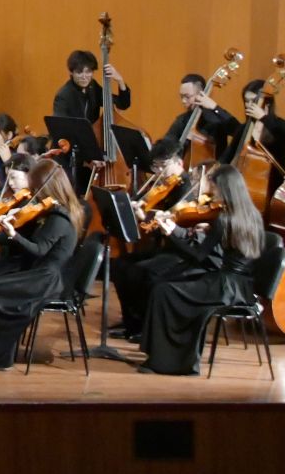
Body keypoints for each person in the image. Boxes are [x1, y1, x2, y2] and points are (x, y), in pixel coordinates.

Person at [0, 156, 82, 371]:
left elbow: (38, 249)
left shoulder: (59, 218)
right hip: (33, 267)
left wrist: (13, 234)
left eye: (36, 187)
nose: (33, 192)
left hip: (44, 278)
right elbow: (23, 240)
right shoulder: (46, 211)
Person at [136, 163, 263, 375]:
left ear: (225, 189)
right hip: (242, 286)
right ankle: (165, 355)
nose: (213, 194)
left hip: (225, 287)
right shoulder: (253, 215)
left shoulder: (223, 219)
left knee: (163, 290)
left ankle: (167, 361)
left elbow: (197, 256)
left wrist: (172, 234)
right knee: (167, 287)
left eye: (215, 190)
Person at [109, 137, 198, 341]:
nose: (159, 172)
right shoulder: (163, 185)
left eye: (163, 166)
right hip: (162, 247)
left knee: (140, 272)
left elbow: (174, 226)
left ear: (179, 163)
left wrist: (146, 217)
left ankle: (145, 326)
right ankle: (131, 322)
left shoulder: (186, 190)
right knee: (120, 264)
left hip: (179, 252)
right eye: (155, 167)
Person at [164, 73, 242, 157]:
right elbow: (166, 144)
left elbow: (238, 132)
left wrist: (215, 107)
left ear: (201, 95)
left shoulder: (217, 118)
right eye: (181, 97)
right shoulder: (182, 120)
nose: (183, 101)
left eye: (187, 96)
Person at [234, 77, 285, 177]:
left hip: (273, 180)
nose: (249, 105)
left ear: (267, 102)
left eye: (253, 101)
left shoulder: (282, 124)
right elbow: (230, 153)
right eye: (246, 101)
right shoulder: (243, 128)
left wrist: (263, 118)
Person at [51, 48, 129, 125]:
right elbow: (60, 126)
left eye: (88, 72)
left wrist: (120, 80)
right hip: (74, 133)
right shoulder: (63, 96)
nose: (84, 77)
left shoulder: (93, 87)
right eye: (79, 72)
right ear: (71, 72)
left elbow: (123, 104)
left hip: (94, 133)